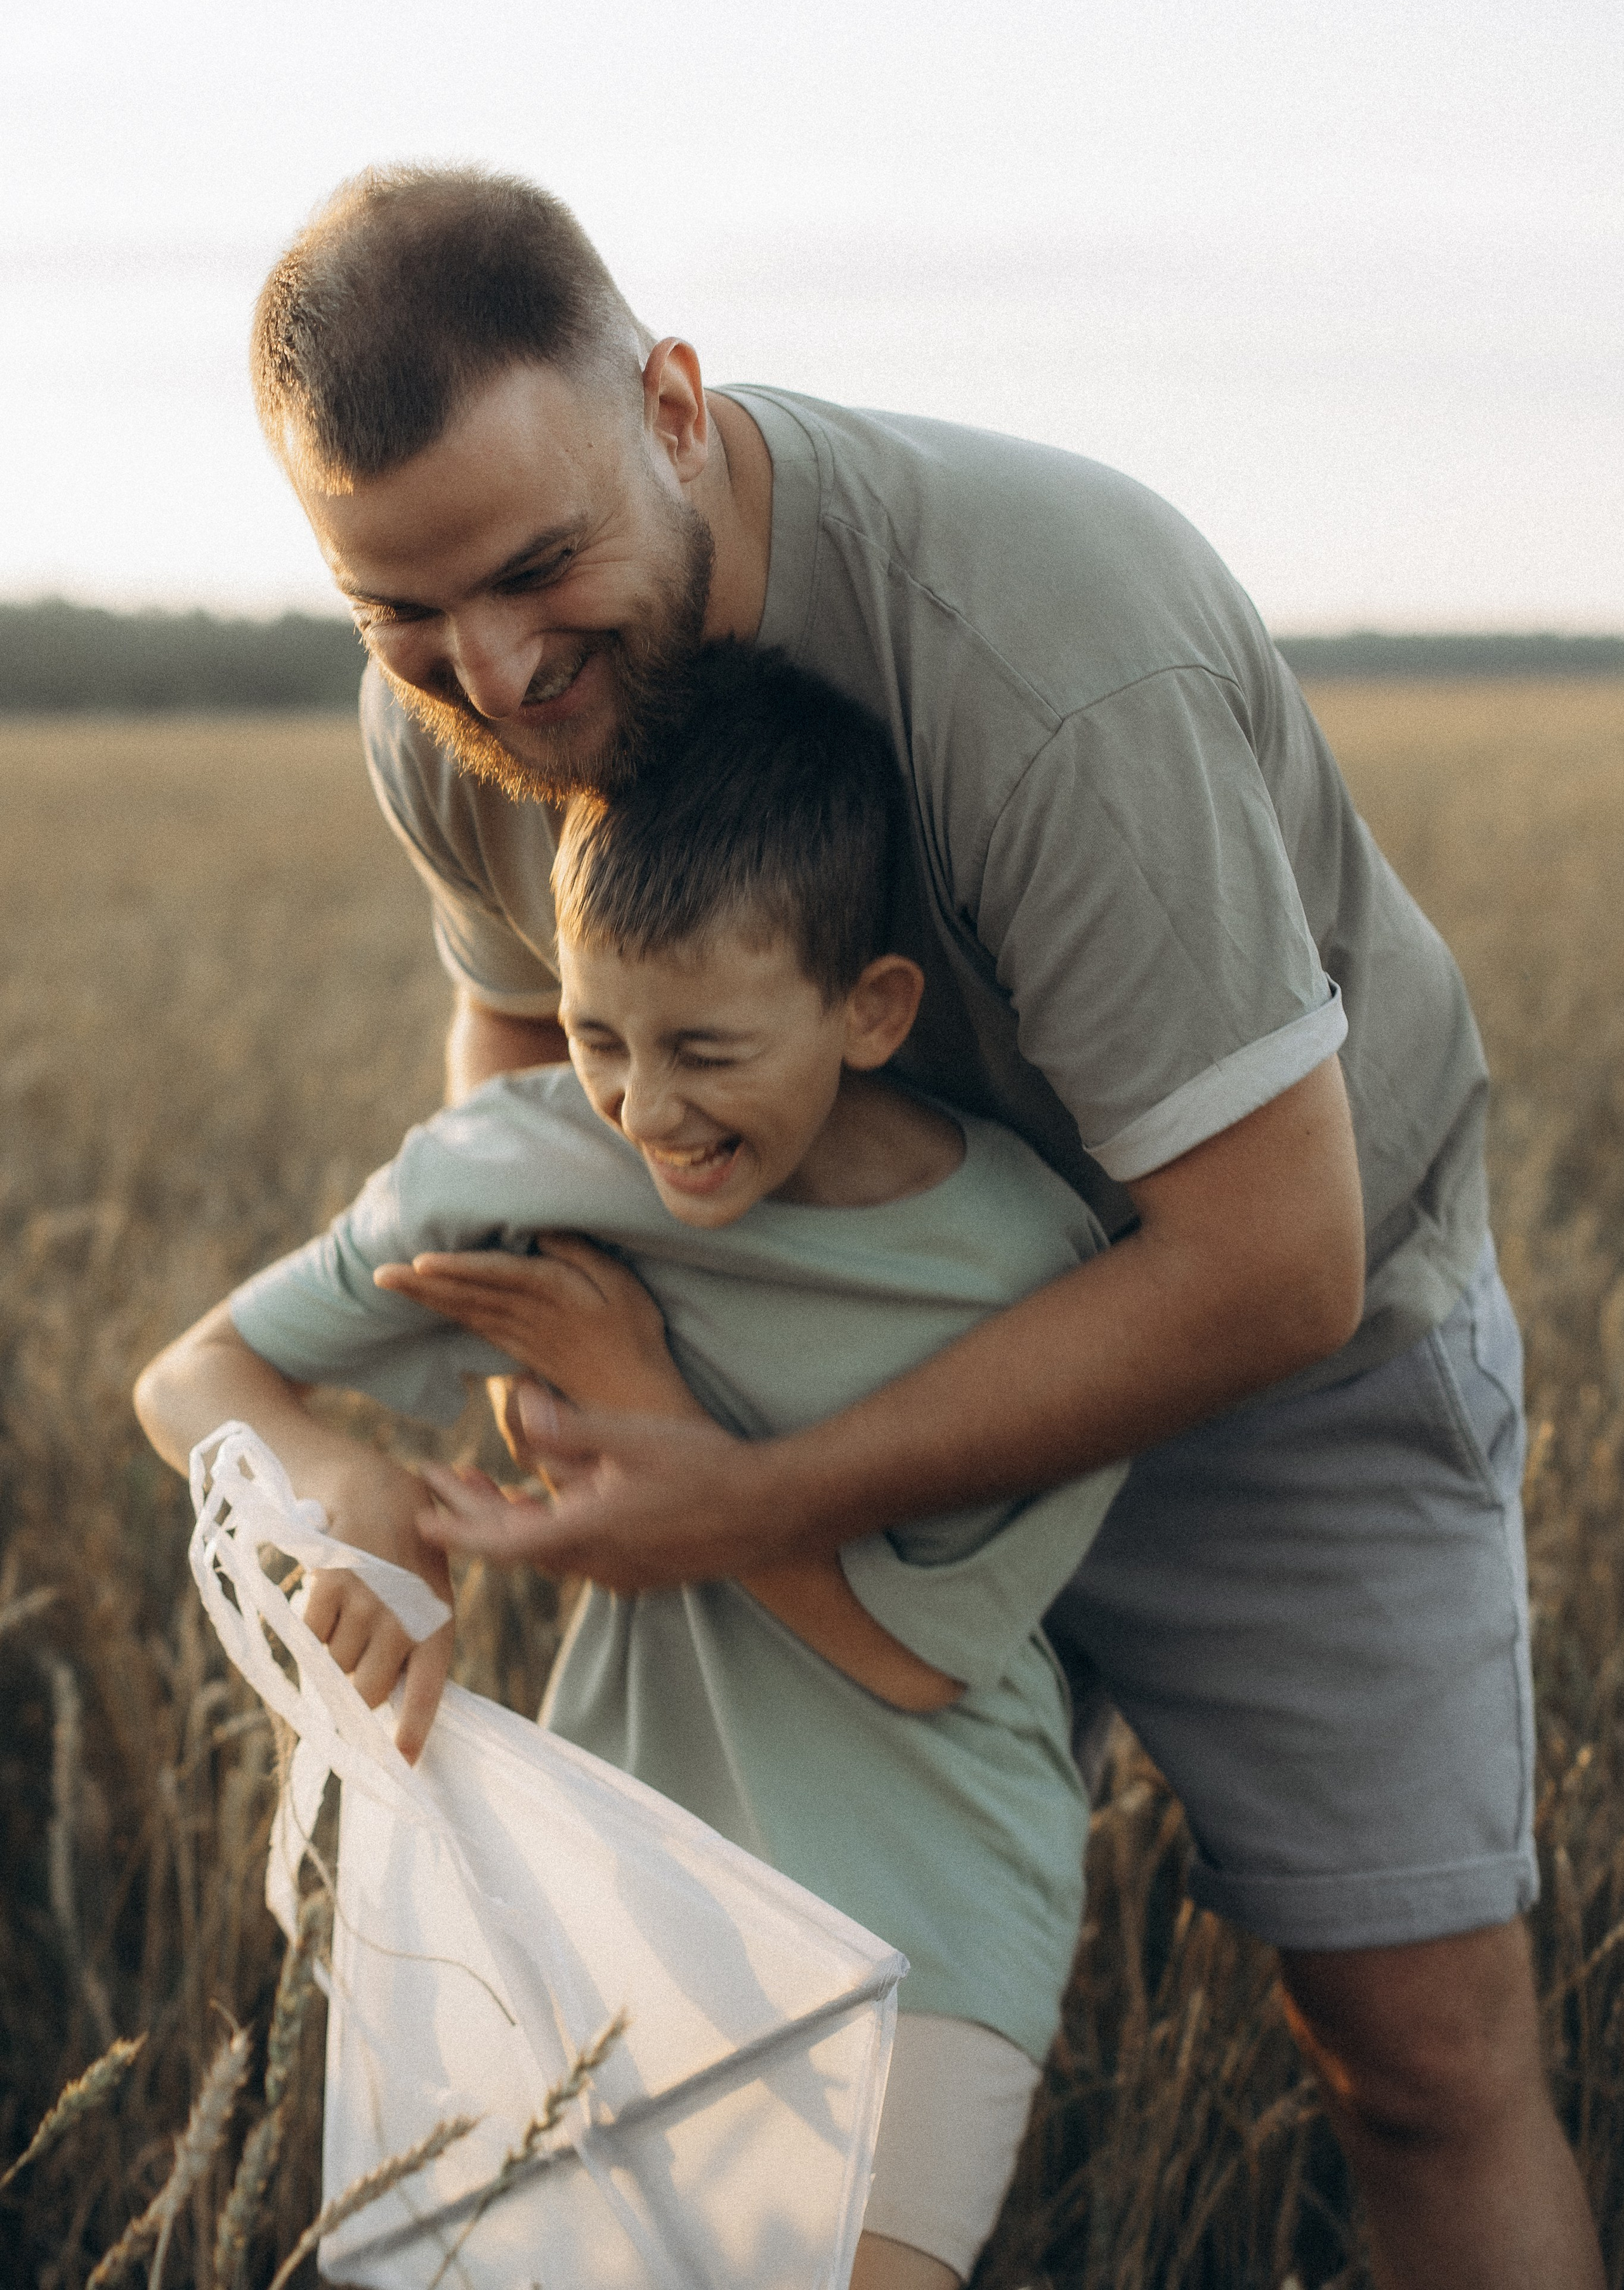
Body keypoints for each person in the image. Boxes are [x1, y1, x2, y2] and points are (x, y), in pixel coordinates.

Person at [236, 164, 1602, 2289]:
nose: (491, 671)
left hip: (1275, 1369)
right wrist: (554, 1408)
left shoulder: (1045, 646)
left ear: (672, 407)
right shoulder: (454, 714)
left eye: (537, 566)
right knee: (725, 2074)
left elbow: (1274, 1256)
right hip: (783, 1359)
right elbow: (524, 1083)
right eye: (399, 611)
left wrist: (747, 1503)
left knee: (1420, 2059)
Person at [136, 658, 1131, 2289]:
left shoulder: (1028, 1265)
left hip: (937, 1895)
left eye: (707, 1049)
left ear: (871, 1010)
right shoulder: (523, 1159)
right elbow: (192, 1376)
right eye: (597, 1035)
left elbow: (914, 1659)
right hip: (622, 1867)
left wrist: (645, 1399)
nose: (645, 1110)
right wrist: (344, 1485)